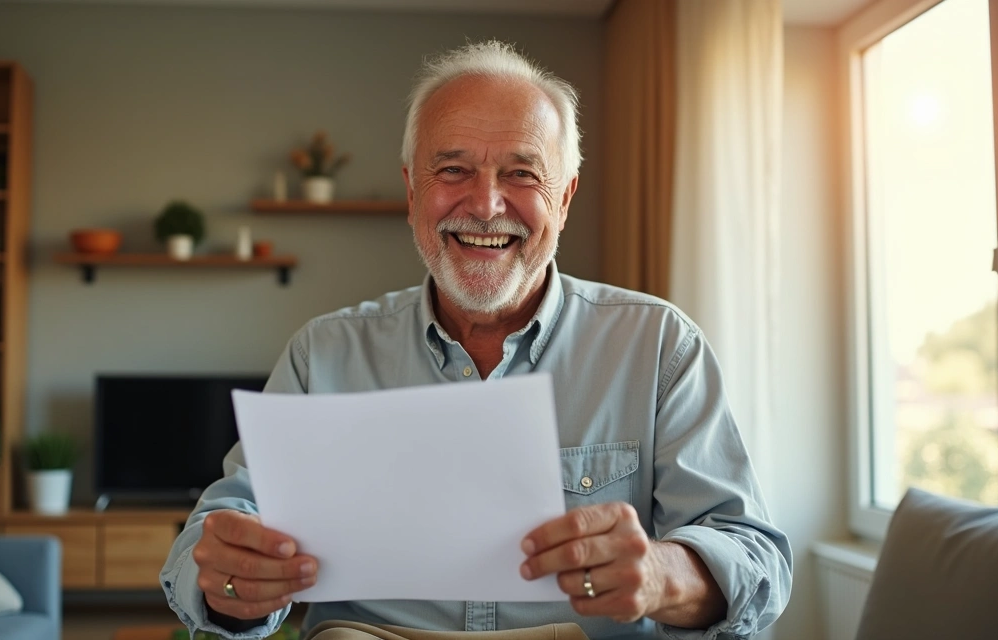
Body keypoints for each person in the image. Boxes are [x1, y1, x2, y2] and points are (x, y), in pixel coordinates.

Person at [161, 40, 792, 640]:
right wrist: (230, 580)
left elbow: (755, 554)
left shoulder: (659, 346)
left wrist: (661, 574)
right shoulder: (321, 354)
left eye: (521, 173)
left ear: (564, 198)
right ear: (413, 193)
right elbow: (212, 540)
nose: (487, 205)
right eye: (454, 169)